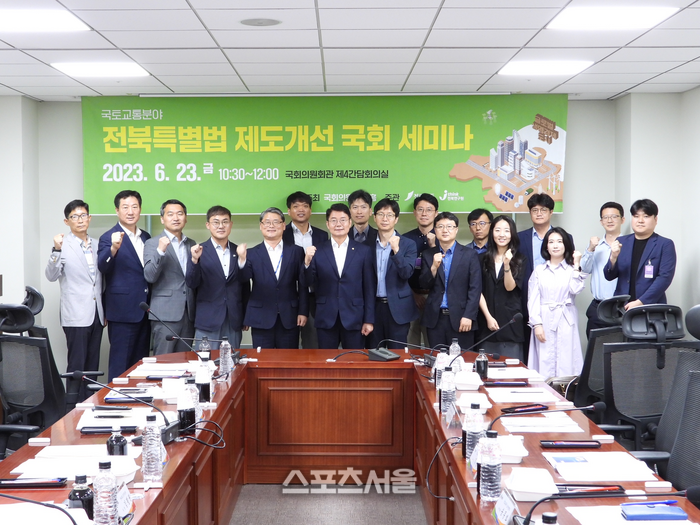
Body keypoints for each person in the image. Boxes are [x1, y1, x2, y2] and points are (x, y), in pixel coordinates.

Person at [45, 199, 104, 401]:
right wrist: (56, 250)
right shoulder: (63, 245)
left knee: (92, 366)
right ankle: (72, 407)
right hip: (75, 314)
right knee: (77, 365)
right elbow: (51, 276)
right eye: (74, 217)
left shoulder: (98, 244)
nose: (80, 220)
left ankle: (89, 404)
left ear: (89, 218)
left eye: (83, 215)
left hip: (97, 313)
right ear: (67, 221)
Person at [304, 203, 375, 349]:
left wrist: (369, 320)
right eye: (333, 220)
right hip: (326, 317)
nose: (338, 224)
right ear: (327, 224)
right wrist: (306, 263)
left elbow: (369, 287)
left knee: (354, 359)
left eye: (343, 220)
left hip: (354, 317)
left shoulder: (363, 251)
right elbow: (307, 281)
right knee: (326, 360)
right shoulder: (318, 250)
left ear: (349, 223)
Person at [97, 190, 151, 380]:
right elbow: (102, 266)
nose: (130, 211)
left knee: (141, 365)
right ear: (117, 210)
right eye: (125, 207)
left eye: (134, 207)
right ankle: (115, 398)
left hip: (145, 310)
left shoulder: (146, 237)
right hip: (122, 311)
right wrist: (114, 248)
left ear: (140, 209)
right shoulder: (108, 237)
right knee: (120, 364)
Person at [242, 207, 308, 349]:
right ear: (261, 226)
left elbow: (303, 284)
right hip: (260, 317)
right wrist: (241, 260)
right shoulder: (251, 253)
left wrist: (303, 311)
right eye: (267, 222)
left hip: (289, 316)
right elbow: (243, 281)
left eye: (276, 222)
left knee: (288, 359)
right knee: (262, 359)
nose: (271, 226)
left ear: (283, 226)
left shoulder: (296, 251)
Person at [186, 205, 249, 349]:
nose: (221, 226)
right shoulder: (199, 251)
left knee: (232, 360)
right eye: (216, 222)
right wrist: (194, 260)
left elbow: (245, 286)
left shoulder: (238, 251)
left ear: (231, 225)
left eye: (225, 222)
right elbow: (191, 283)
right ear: (208, 225)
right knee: (205, 360)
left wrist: (245, 316)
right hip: (208, 319)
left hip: (233, 319)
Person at [527, 227, 587, 378]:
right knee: (544, 358)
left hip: (566, 318)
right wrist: (537, 324)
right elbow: (532, 299)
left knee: (566, 358)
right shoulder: (539, 271)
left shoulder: (571, 270)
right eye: (551, 242)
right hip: (544, 319)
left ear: (565, 245)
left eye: (559, 241)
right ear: (546, 246)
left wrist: (576, 265)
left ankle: (566, 390)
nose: (555, 245)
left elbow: (575, 289)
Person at [419, 212, 481, 349]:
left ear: (456, 229)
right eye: (440, 226)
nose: (445, 230)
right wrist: (433, 267)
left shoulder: (470, 255)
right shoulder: (428, 254)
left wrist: (469, 316)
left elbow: (475, 288)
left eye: (449, 226)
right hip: (435, 319)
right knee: (437, 358)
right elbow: (424, 284)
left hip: (461, 318)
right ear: (435, 230)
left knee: (462, 359)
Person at [143, 199, 196, 354]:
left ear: (185, 218)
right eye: (170, 214)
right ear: (162, 219)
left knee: (185, 361)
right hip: (165, 314)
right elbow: (150, 276)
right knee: (163, 360)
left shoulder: (191, 243)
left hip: (188, 313)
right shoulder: (152, 243)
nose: (176, 218)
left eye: (180, 214)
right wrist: (160, 251)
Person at [604, 198, 676, 310]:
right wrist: (613, 257)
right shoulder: (622, 242)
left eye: (646, 216)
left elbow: (664, 278)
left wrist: (641, 302)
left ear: (655, 219)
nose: (640, 220)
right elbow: (609, 276)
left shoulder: (665, 244)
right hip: (622, 308)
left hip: (650, 308)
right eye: (636, 216)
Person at [368, 198, 419, 349]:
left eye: (389, 215)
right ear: (374, 217)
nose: (385, 219)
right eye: (381, 214)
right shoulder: (366, 244)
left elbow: (406, 273)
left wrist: (396, 250)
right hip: (373, 308)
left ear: (396, 219)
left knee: (398, 354)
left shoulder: (408, 244)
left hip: (398, 309)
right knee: (374, 353)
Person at [282, 191, 328, 349]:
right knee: (288, 346)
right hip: (288, 297)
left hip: (313, 297)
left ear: (310, 210)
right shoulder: (281, 234)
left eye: (305, 206)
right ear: (289, 211)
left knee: (312, 344)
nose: (301, 210)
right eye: (296, 206)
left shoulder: (322, 236)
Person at [477, 215, 526, 361]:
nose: (502, 234)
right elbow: (477, 290)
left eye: (506, 230)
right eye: (497, 230)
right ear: (492, 232)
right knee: (485, 367)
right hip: (486, 322)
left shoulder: (520, 259)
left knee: (511, 368)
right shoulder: (482, 259)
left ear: (512, 234)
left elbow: (510, 287)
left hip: (510, 322)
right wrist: (488, 317)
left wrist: (506, 264)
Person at [580, 201, 625, 335]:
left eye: (614, 216)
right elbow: (584, 270)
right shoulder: (596, 246)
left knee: (621, 347)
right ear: (601, 221)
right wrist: (590, 249)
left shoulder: (629, 245)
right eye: (606, 217)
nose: (609, 220)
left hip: (621, 307)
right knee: (595, 347)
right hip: (598, 306)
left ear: (622, 220)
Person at [402, 193, 438, 348]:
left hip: (435, 297)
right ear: (414, 212)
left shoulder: (444, 237)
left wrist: (434, 246)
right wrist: (413, 294)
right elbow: (399, 271)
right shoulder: (405, 239)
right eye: (420, 209)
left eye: (429, 210)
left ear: (436, 213)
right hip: (410, 297)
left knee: (434, 345)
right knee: (411, 344)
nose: (424, 213)